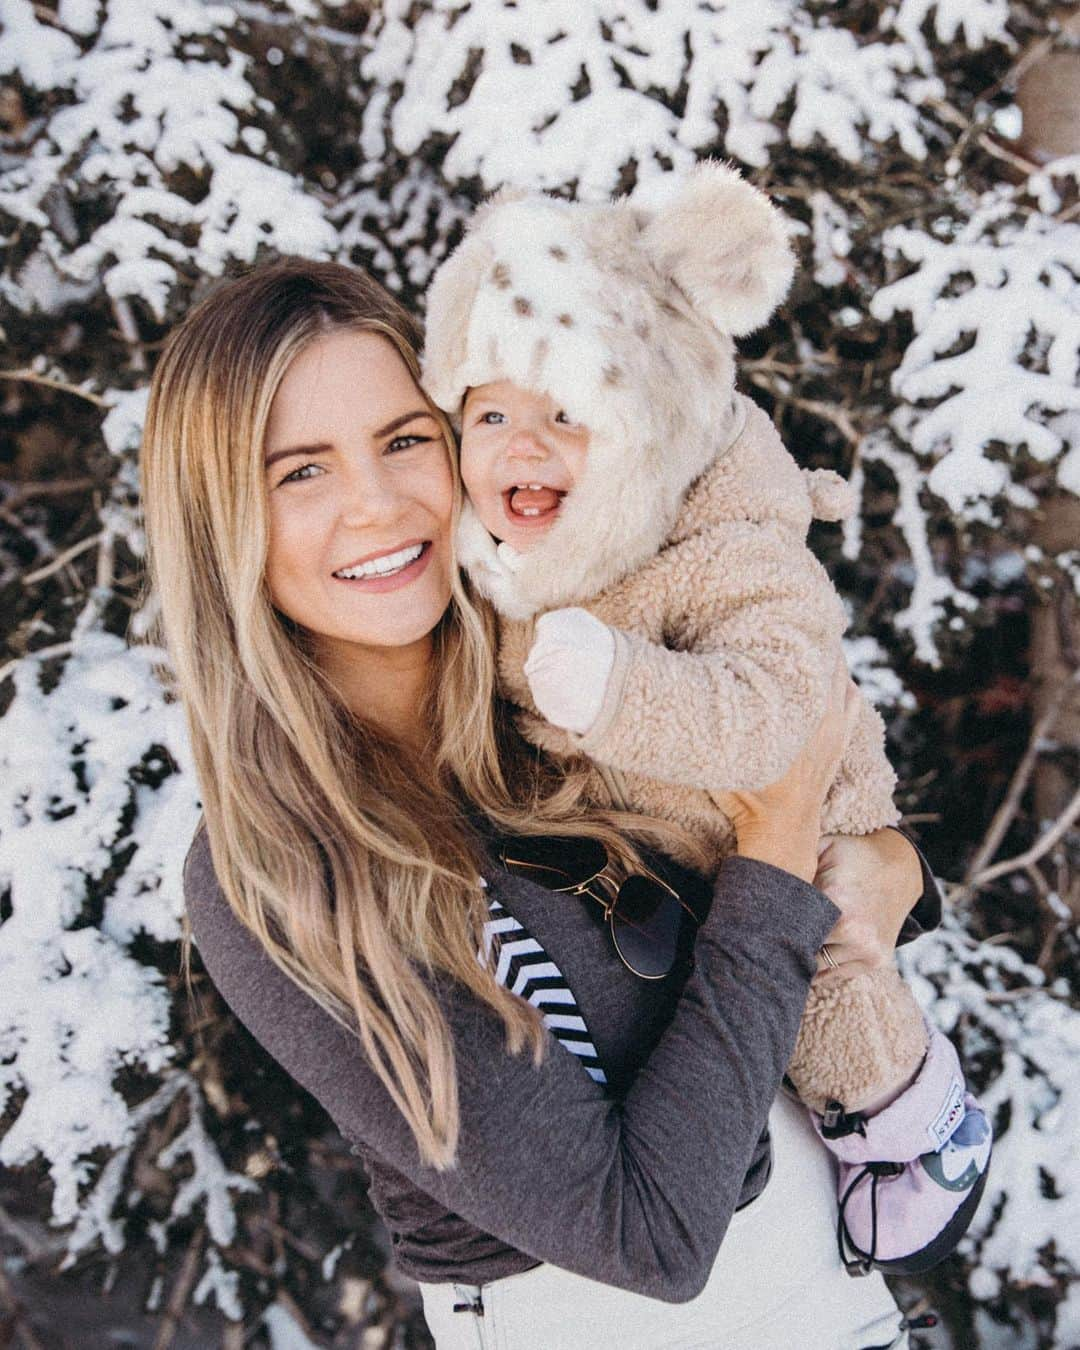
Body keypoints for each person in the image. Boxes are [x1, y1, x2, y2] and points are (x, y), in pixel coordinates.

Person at [143, 257, 964, 1349]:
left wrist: (889, 867)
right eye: (301, 472)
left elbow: (801, 808)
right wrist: (775, 859)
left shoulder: (567, 675)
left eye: (403, 440)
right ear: (222, 519)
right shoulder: (278, 865)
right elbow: (646, 1238)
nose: (377, 504)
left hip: (835, 1304)